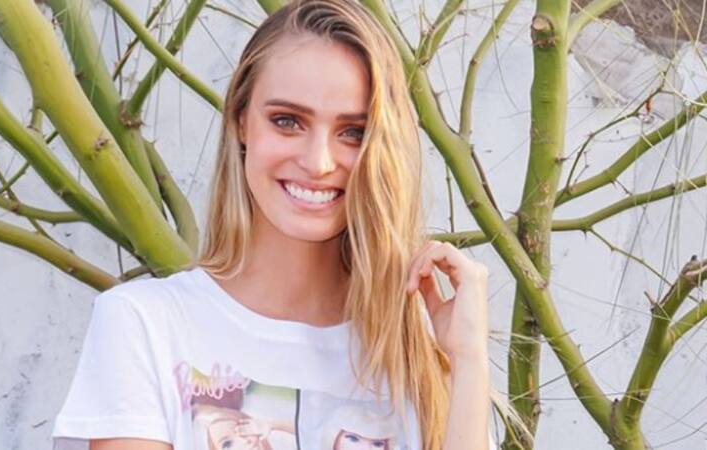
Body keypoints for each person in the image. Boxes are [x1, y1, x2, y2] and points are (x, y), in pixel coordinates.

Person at [51, 1, 506, 449]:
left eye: (353, 132)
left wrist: (468, 360)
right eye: (287, 122)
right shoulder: (146, 324)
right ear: (241, 121)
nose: (318, 162)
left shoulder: (417, 346)